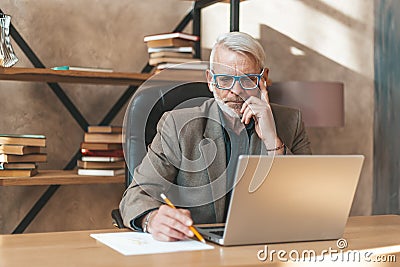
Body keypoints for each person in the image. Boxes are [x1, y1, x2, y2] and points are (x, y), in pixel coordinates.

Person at [120, 32, 311, 242]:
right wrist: (152, 219)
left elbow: (309, 201)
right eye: (226, 79)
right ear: (210, 81)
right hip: (199, 250)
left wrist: (273, 141)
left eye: (248, 79)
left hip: (267, 245)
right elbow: (135, 197)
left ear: (263, 80)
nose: (236, 91)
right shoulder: (178, 126)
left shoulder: (290, 122)